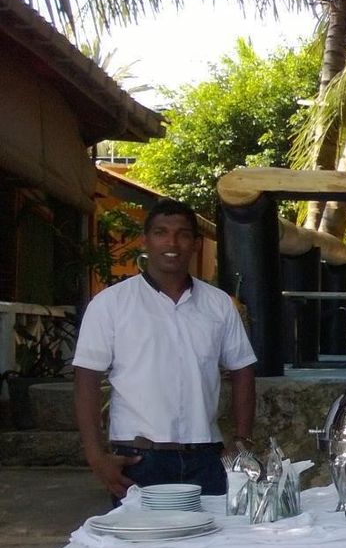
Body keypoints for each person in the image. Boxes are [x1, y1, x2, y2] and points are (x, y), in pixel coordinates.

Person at [73, 198, 257, 499]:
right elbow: (86, 379)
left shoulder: (219, 304)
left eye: (183, 234)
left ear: (196, 244)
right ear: (145, 240)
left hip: (206, 458)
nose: (172, 243)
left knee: (212, 531)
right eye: (161, 233)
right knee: (140, 532)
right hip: (139, 460)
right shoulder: (110, 304)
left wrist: (242, 440)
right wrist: (96, 456)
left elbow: (243, 369)